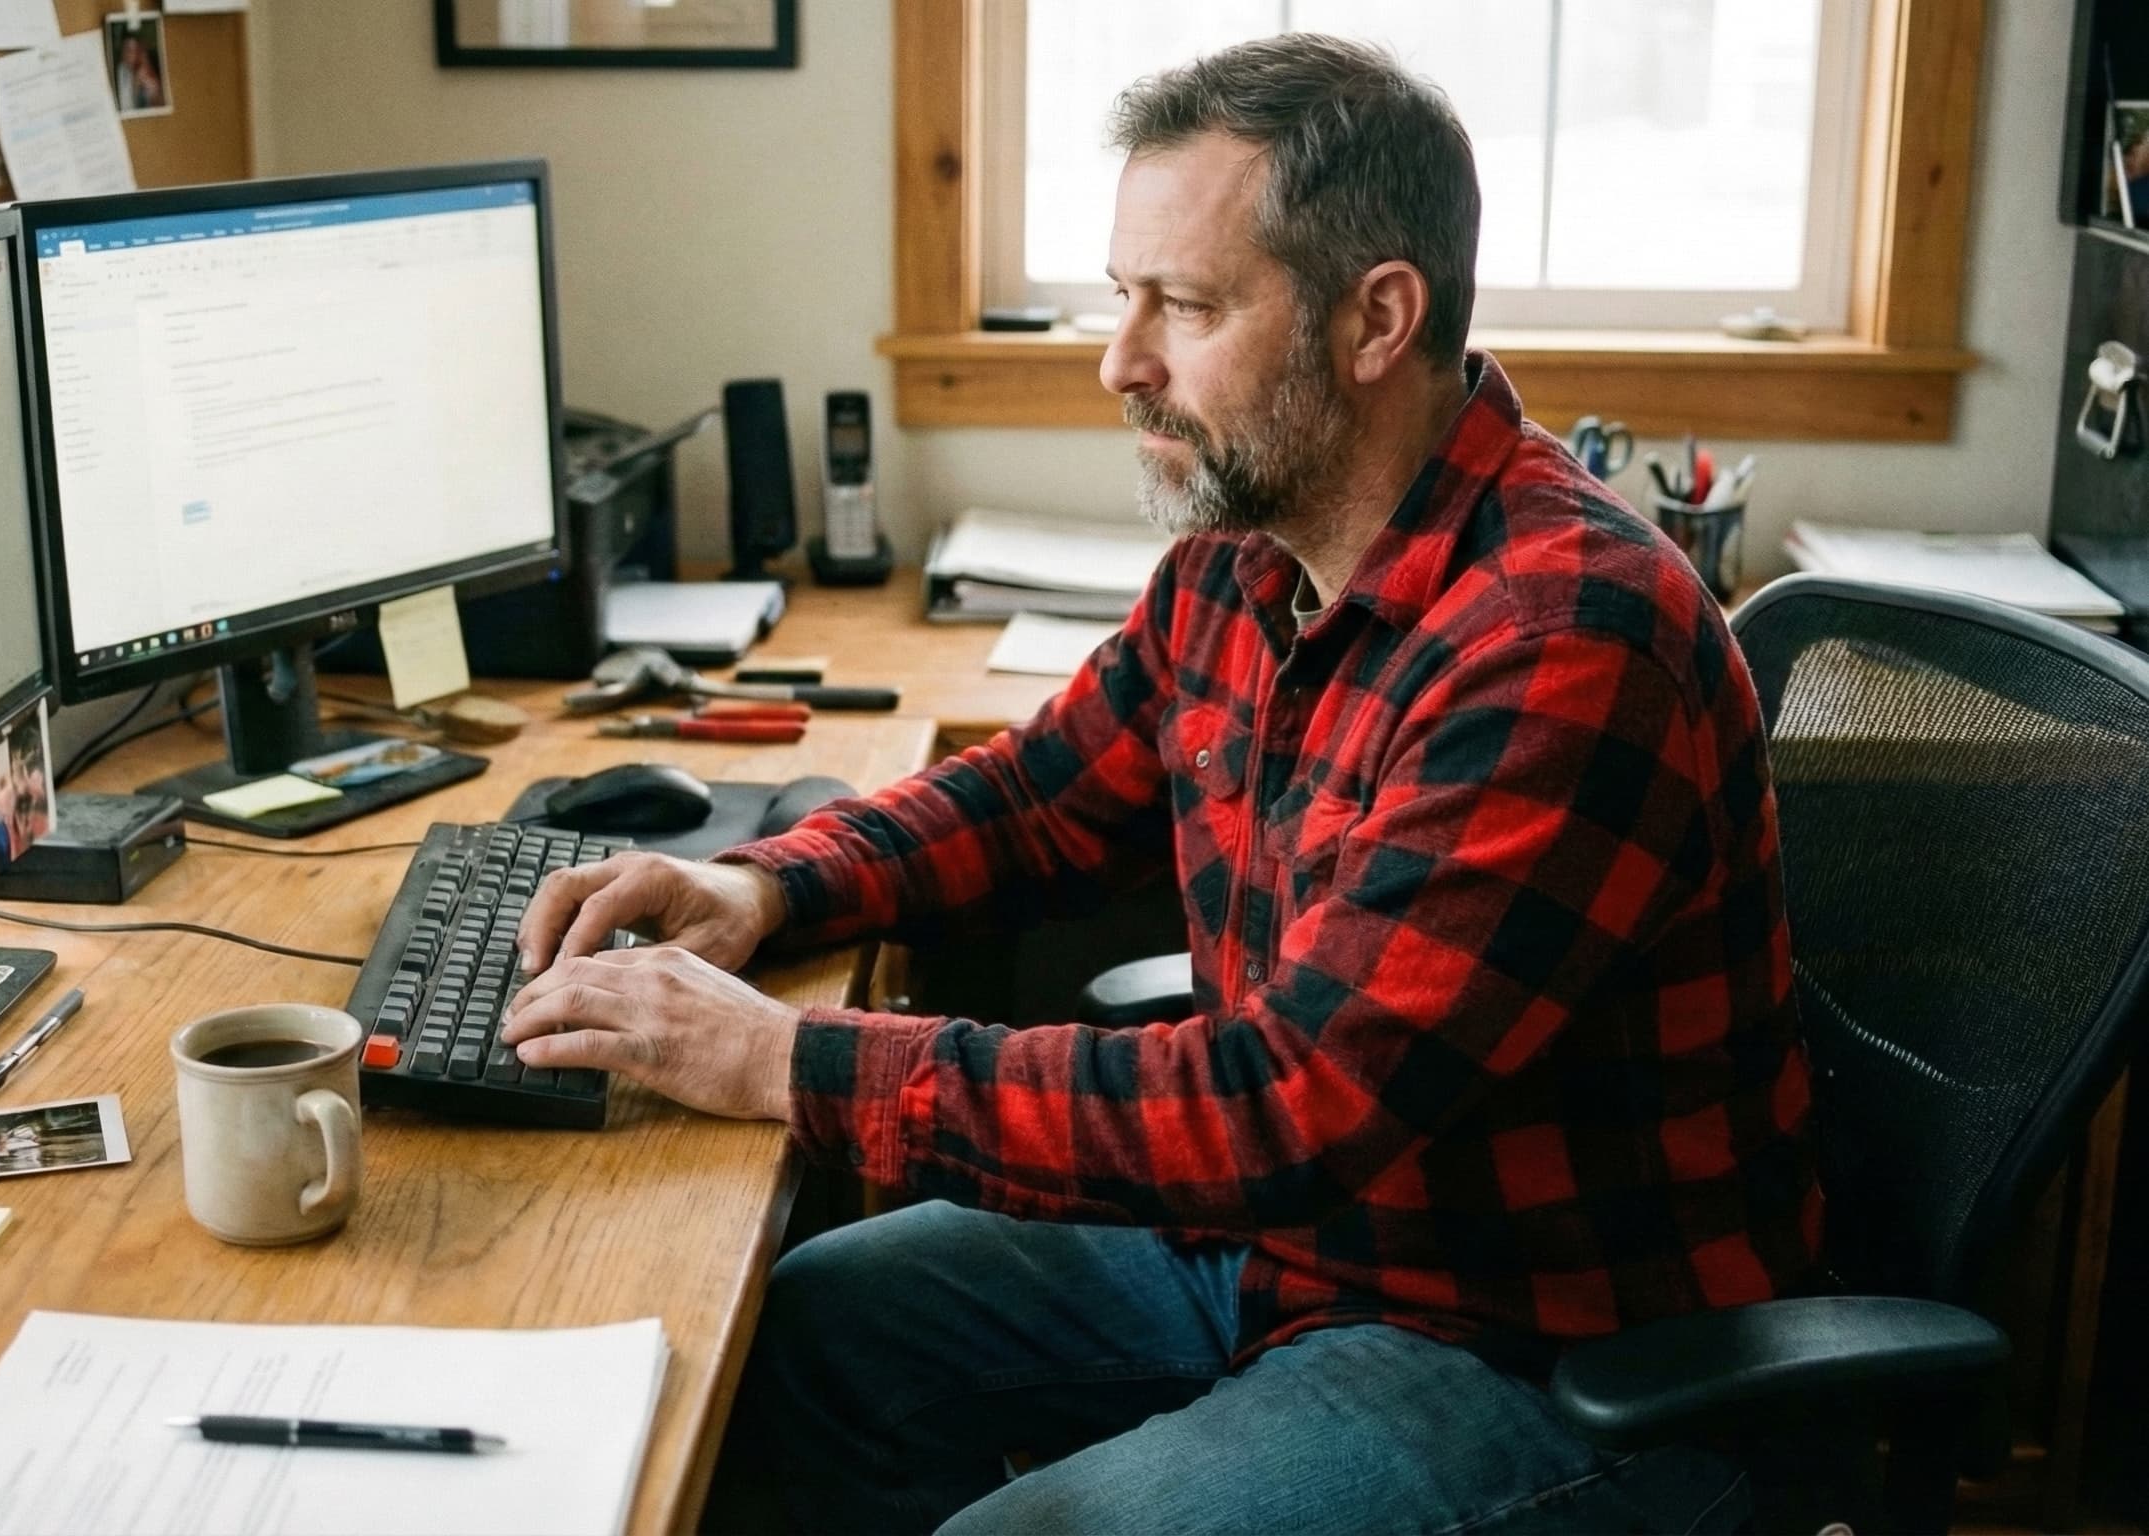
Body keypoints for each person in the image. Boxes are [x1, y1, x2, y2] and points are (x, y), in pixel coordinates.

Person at [505, 32, 1818, 1535]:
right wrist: (761, 885)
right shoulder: (1247, 552)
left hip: (1538, 1343)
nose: (1120, 360)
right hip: (1297, 1245)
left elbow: (1289, 1107)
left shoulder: (1561, 641)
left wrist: (781, 1060)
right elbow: (1040, 797)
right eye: (1121, 295)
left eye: (1184, 306)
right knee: (806, 1338)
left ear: (1376, 318)